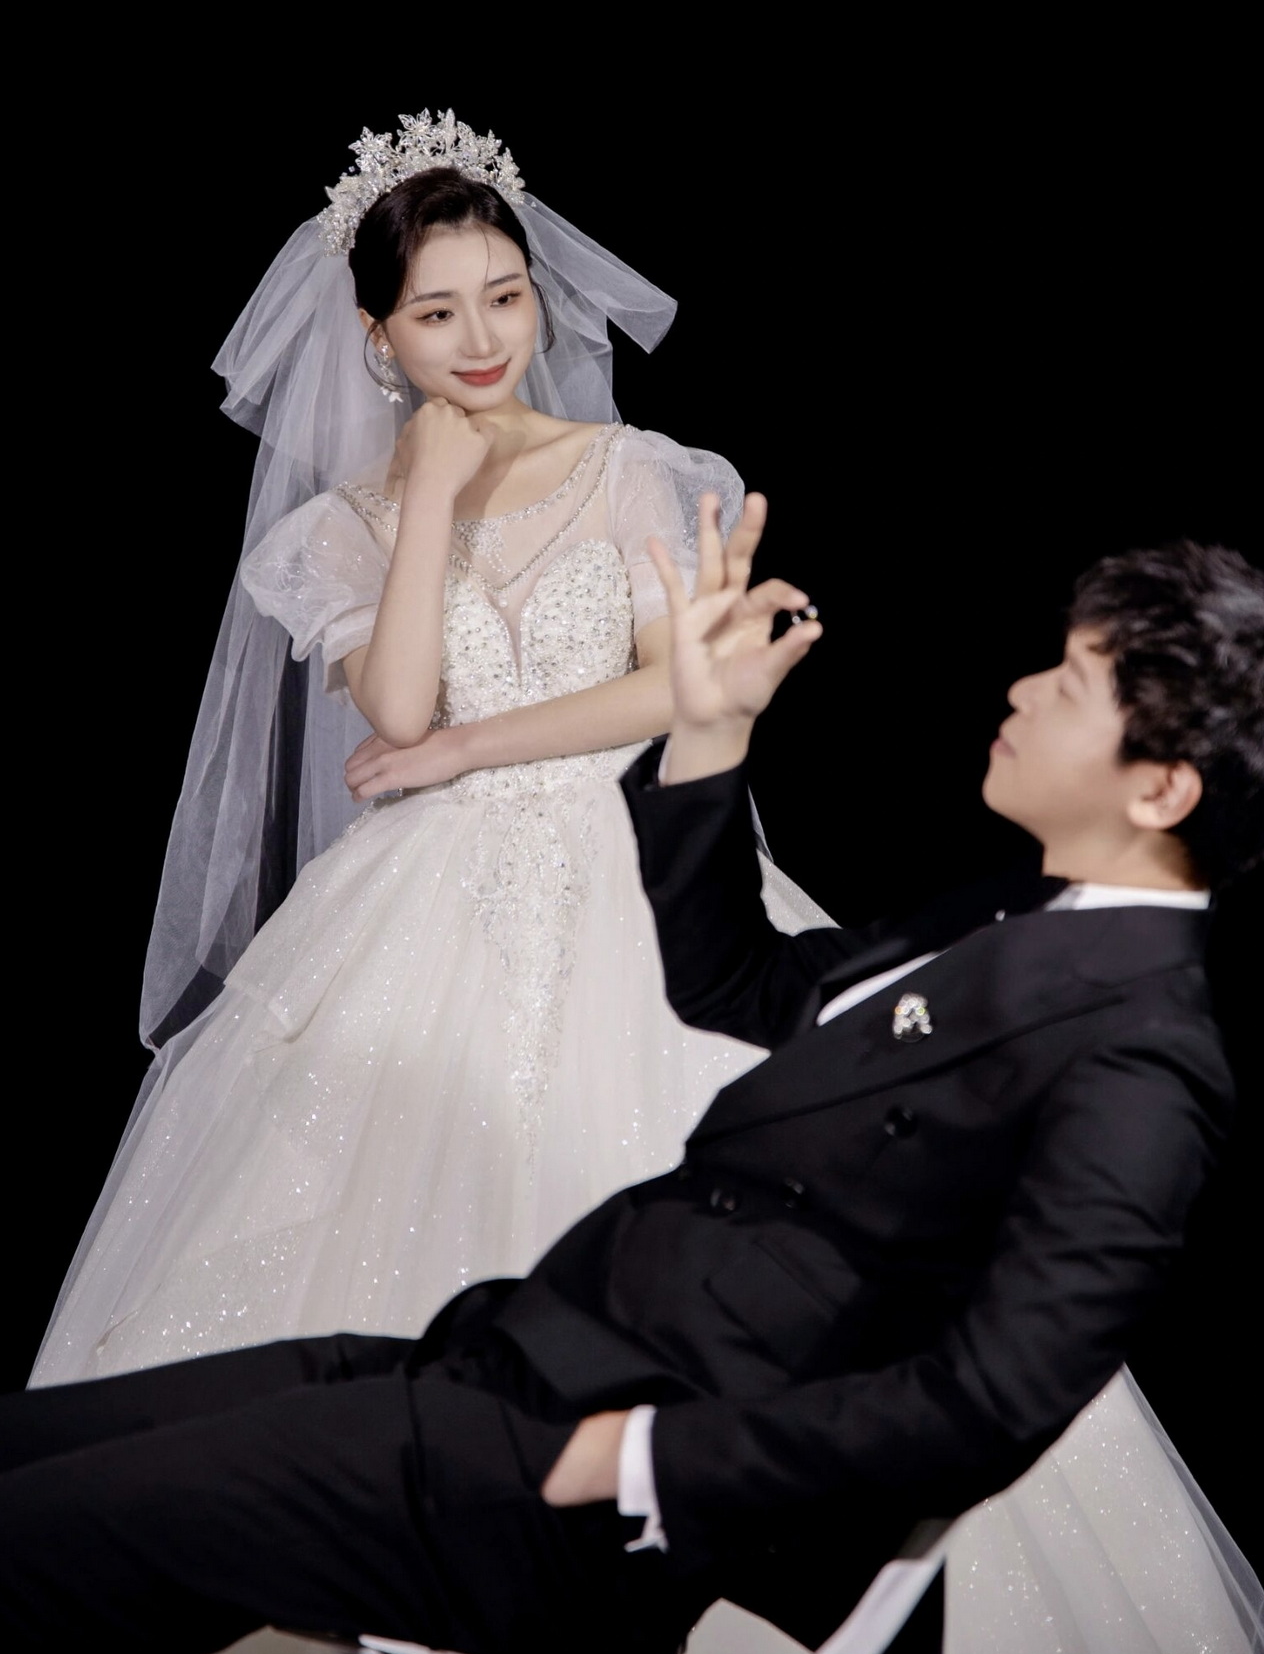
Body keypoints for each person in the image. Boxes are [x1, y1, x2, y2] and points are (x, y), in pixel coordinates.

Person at [2, 503, 1264, 1654]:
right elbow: (732, 984)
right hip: (503, 1363)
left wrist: (640, 1464)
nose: (1021, 688)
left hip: (561, 1500)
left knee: (43, 1542)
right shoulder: (1013, 915)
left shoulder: (1142, 1055)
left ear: (1160, 786)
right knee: (35, 1455)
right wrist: (707, 731)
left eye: (1070, 683)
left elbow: (991, 1401)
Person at [31, 114, 826, 1391]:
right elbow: (397, 711)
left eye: (504, 297)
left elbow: (674, 691)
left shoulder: (630, 471)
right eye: (435, 313)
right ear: (376, 335)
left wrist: (469, 746)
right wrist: (426, 505)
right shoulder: (338, 528)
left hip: (634, 858)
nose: (481, 339)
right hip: (425, 897)